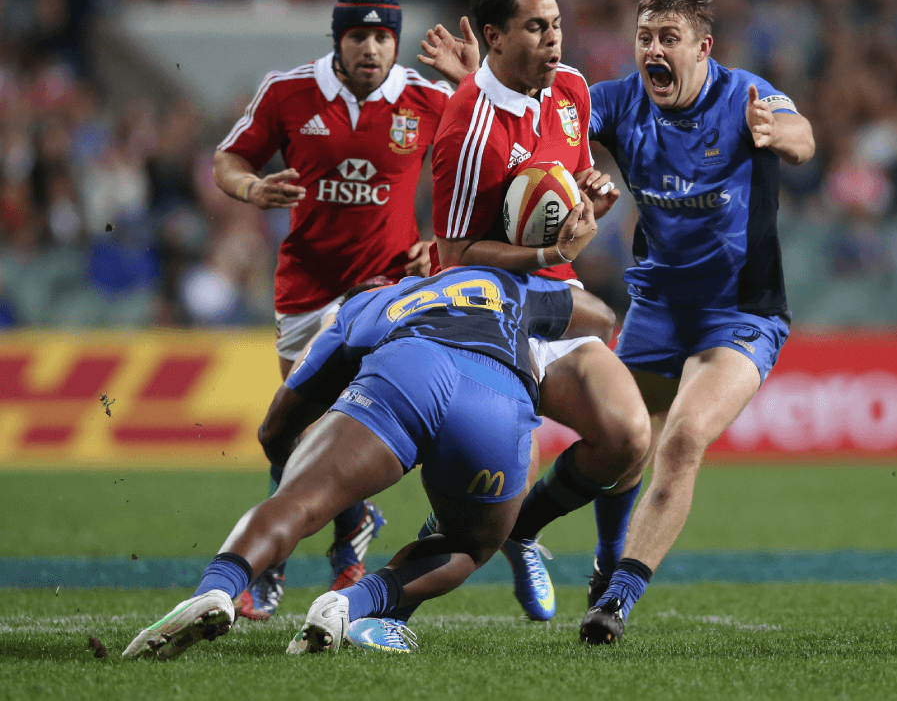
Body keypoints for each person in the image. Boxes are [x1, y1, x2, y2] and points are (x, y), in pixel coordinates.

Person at [123, 248, 619, 660]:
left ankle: (215, 589)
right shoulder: (497, 282)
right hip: (496, 395)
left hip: (408, 368)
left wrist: (288, 458)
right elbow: (601, 315)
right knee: (470, 544)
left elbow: (279, 420)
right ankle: (350, 604)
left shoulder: (366, 306)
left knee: (297, 503)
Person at [576, 0, 816, 644]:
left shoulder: (745, 95)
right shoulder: (618, 100)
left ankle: (616, 600)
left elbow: (803, 136)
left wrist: (779, 133)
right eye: (646, 37)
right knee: (622, 444)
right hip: (655, 302)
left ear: (702, 48)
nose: (654, 49)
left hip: (740, 311)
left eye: (669, 39)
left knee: (681, 440)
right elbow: (544, 124)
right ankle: (606, 558)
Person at [212, 0, 453, 620]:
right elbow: (228, 158)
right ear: (337, 42)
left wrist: (441, 248)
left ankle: (271, 571)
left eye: (383, 38)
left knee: (340, 426)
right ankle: (352, 529)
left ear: (395, 43)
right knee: (292, 435)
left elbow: (476, 181)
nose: (371, 49)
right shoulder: (287, 91)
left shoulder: (430, 99)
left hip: (383, 291)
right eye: (358, 37)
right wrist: (251, 187)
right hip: (305, 289)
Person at [419, 0, 650, 626]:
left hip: (558, 295)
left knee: (631, 436)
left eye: (556, 25)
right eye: (535, 28)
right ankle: (369, 603)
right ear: (496, 36)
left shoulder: (573, 90)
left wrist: (588, 194)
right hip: (492, 312)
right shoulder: (466, 127)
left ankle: (599, 569)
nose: (554, 40)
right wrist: (550, 250)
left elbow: (565, 176)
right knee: (483, 508)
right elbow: (455, 254)